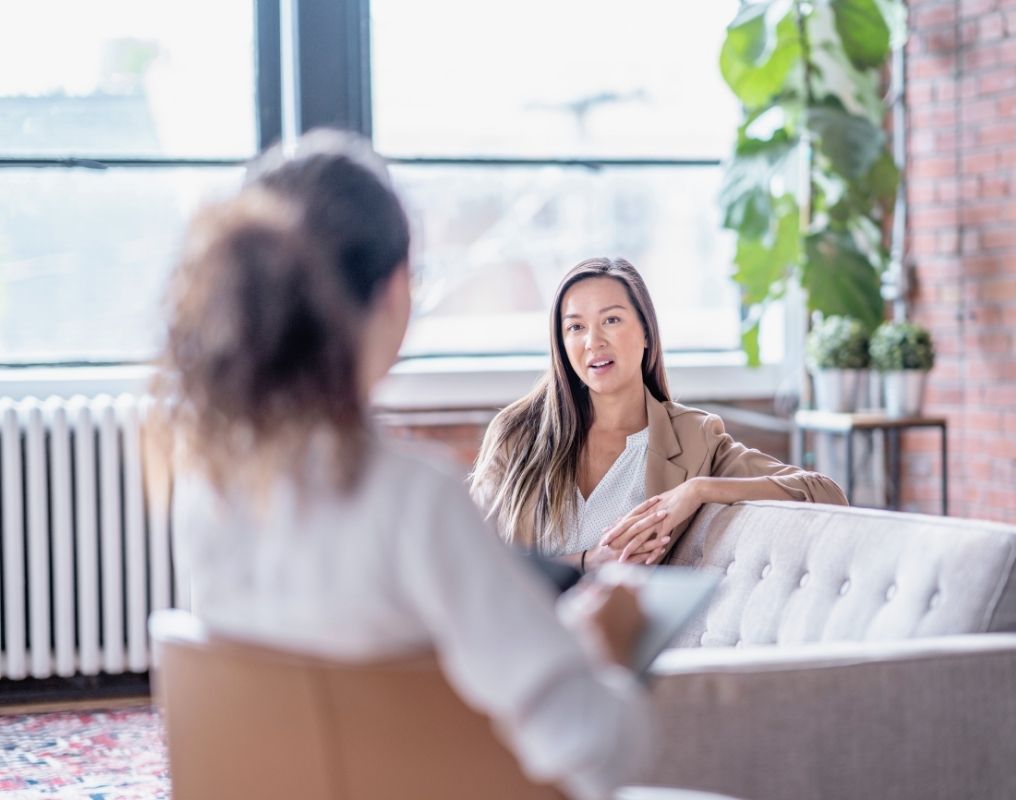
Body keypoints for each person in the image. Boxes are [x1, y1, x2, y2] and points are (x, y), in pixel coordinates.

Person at [154, 131, 651, 800]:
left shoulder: (207, 485)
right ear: (395, 290)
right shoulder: (414, 498)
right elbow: (595, 750)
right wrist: (601, 650)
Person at [471, 257, 848, 569]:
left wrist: (699, 489)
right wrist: (587, 562)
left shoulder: (693, 437)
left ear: (646, 332)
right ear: (562, 343)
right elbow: (470, 560)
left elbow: (824, 493)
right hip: (525, 640)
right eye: (576, 327)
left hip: (631, 647)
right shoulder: (517, 433)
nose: (593, 341)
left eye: (612, 320)